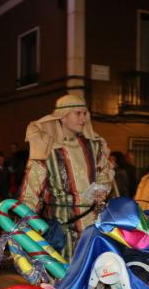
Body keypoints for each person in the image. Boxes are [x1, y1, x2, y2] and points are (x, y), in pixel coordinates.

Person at [18, 94, 114, 260]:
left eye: (85, 113)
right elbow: (31, 191)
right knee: (63, 278)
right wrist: (25, 228)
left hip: (93, 225)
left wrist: (103, 189)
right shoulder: (46, 146)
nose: (83, 118)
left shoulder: (95, 145)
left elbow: (104, 174)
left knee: (94, 274)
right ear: (62, 116)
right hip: (61, 228)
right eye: (78, 113)